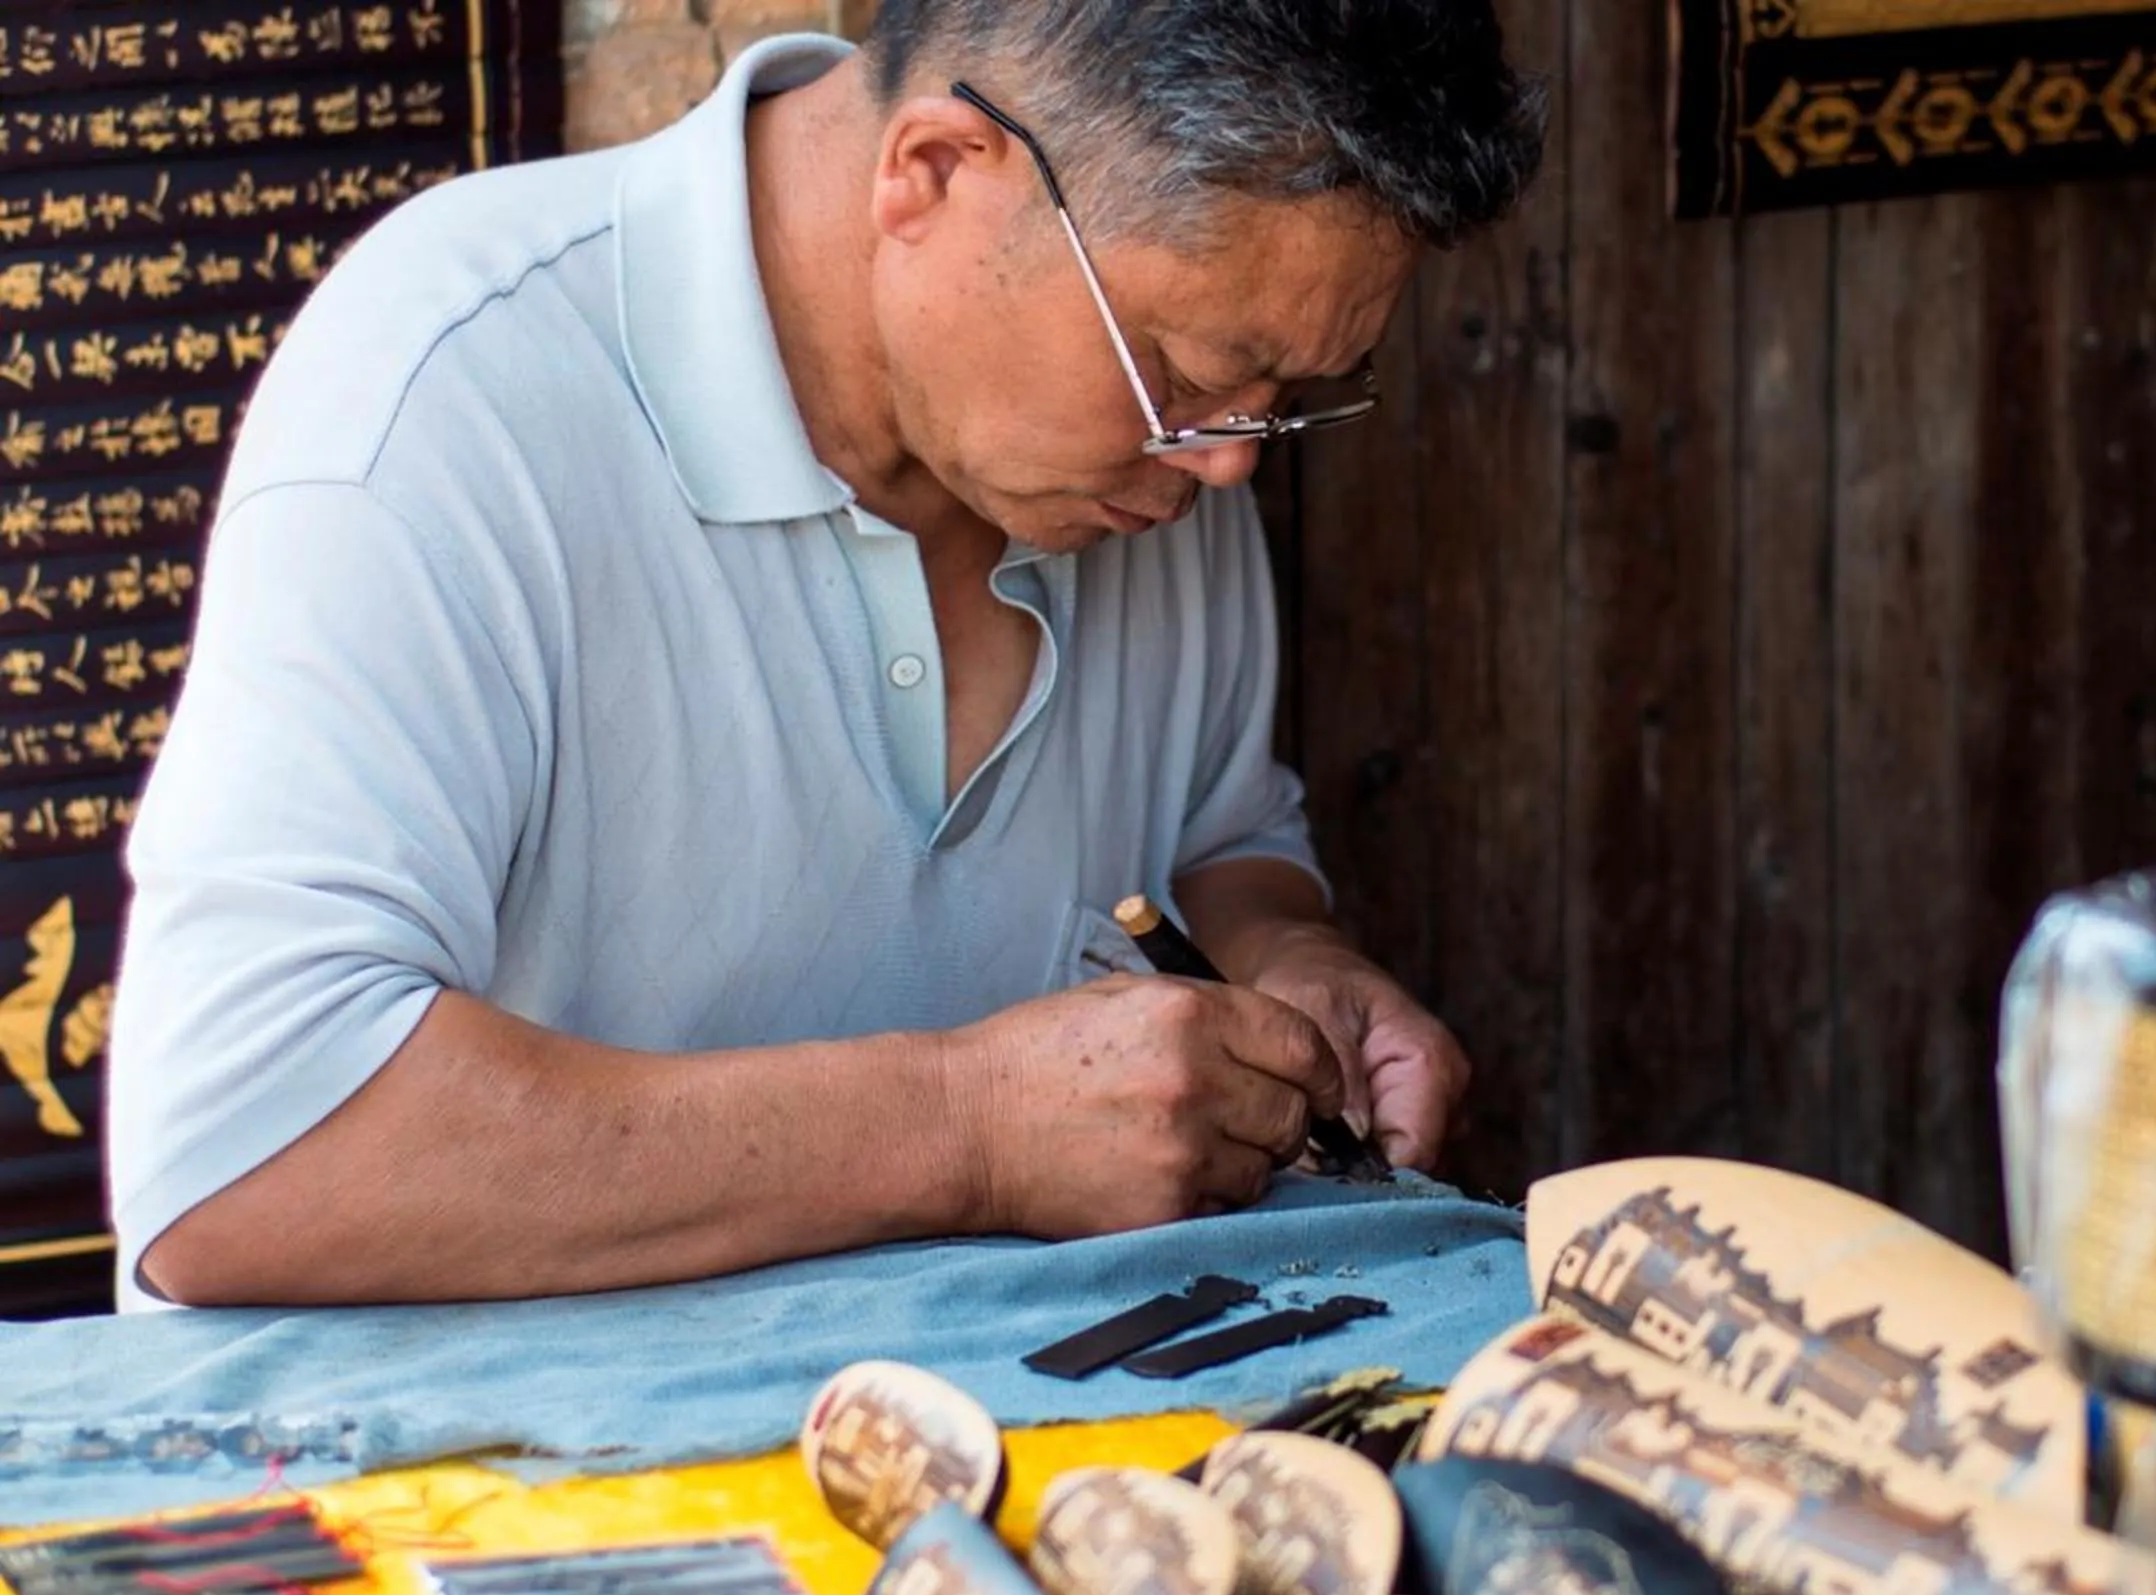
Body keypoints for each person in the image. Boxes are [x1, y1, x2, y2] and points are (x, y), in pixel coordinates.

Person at [106, 1, 1544, 1309]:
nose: (1231, 465)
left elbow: (1215, 832)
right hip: (499, 1503)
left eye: (1288, 398)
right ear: (930, 172)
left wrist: (1287, 954)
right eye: (1187, 373)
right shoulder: (450, 394)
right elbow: (247, 1150)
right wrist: (966, 1127)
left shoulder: (1147, 462)